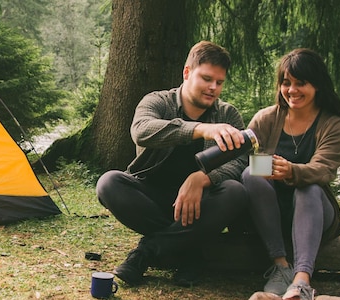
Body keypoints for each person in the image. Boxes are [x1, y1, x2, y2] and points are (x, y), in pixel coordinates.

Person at [96, 41, 249, 287]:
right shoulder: (157, 102)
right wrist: (199, 130)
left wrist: (202, 179)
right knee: (108, 183)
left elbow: (241, 159)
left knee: (236, 192)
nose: (213, 88)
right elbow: (141, 131)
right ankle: (188, 251)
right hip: (152, 198)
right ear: (187, 73)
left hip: (202, 205)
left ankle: (146, 252)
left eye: (219, 82)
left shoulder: (228, 115)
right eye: (206, 78)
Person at [242, 48, 340, 300]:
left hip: (314, 211)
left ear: (318, 85)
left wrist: (292, 171)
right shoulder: (266, 118)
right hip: (269, 211)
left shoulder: (334, 124)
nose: (292, 90)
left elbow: (324, 169)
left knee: (308, 187)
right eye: (286, 83)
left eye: (301, 83)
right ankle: (280, 266)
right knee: (250, 173)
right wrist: (265, 168)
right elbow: (243, 159)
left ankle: (302, 280)